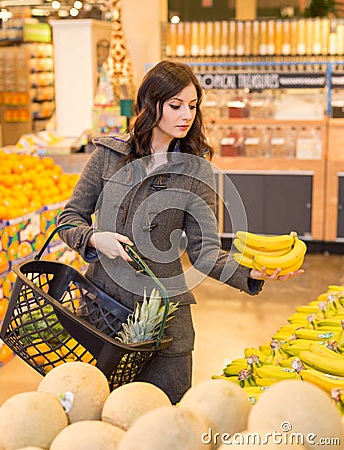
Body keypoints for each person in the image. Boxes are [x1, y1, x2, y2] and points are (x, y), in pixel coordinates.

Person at [57, 60, 304, 404]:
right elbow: (70, 218)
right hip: (103, 314)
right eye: (175, 106)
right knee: (100, 413)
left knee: (168, 417)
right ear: (149, 105)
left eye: (192, 106)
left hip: (166, 326)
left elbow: (205, 252)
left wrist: (250, 272)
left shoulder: (197, 172)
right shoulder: (107, 156)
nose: (185, 115)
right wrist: (96, 239)